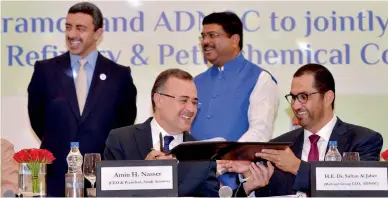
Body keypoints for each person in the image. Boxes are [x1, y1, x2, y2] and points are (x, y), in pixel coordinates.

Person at [223, 63, 384, 197]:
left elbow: (362, 192)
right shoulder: (278, 147)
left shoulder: (363, 141)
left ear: (328, 98)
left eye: (304, 97)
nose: (295, 105)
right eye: (293, 97)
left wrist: (297, 167)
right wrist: (250, 178)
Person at [27, 2, 137, 196]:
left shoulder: (119, 76)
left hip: (101, 180)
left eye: (80, 28)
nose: (71, 34)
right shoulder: (45, 71)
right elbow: (38, 119)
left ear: (98, 33)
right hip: (55, 180)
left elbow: (123, 126)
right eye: (68, 27)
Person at [191, 11, 280, 190]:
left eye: (212, 35)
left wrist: (223, 163)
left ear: (234, 39)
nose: (205, 42)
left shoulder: (260, 78)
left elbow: (259, 132)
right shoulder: (195, 82)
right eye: (203, 36)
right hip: (192, 181)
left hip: (236, 183)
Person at [104, 69, 219, 197]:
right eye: (183, 100)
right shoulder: (121, 140)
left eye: (194, 102)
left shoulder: (203, 153)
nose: (191, 109)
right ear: (158, 100)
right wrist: (142, 176)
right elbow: (109, 194)